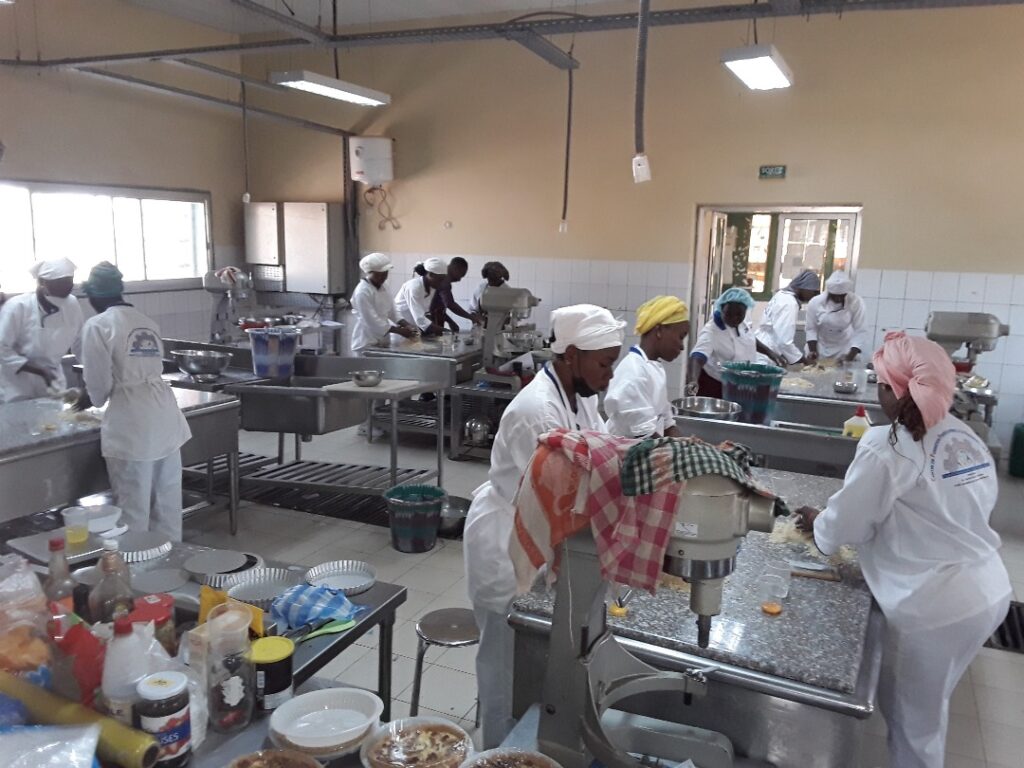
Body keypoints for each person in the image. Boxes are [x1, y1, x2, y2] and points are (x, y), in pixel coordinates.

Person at [796, 331, 1011, 768]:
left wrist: (819, 525)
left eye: (879, 382)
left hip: (936, 606)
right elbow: (948, 510)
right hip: (988, 590)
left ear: (893, 389)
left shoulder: (887, 444)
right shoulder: (964, 435)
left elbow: (848, 523)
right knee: (926, 705)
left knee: (916, 729)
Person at [464, 304, 625, 749]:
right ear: (572, 355)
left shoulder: (580, 397)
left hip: (544, 533)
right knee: (504, 666)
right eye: (604, 363)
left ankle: (531, 744)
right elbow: (571, 493)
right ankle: (497, 751)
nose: (610, 373)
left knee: (535, 663)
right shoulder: (538, 412)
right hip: (508, 543)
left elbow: (601, 453)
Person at [78, 262, 192, 542]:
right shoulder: (146, 321)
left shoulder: (98, 325)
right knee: (167, 504)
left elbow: (99, 387)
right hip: (164, 415)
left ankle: (136, 565)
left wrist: (85, 399)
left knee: (133, 508)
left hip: (132, 422)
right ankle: (170, 559)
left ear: (92, 296)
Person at [0, 257, 84, 403]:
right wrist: (40, 371)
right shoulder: (17, 307)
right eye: (58, 286)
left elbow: (81, 343)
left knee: (53, 417)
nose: (61, 300)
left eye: (69, 284)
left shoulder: (72, 304)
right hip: (17, 385)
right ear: (42, 283)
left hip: (53, 383)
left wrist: (91, 377)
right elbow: (2, 348)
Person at [605, 295, 689, 438]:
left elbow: (666, 421)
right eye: (680, 337)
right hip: (626, 450)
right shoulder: (634, 373)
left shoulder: (653, 367)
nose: (682, 346)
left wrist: (687, 443)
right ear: (659, 331)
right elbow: (645, 436)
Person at [686, 287, 782, 398]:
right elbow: (697, 357)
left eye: (739, 314)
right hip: (715, 386)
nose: (734, 318)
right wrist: (693, 380)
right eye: (728, 314)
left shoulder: (742, 324)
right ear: (721, 308)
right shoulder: (711, 331)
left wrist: (770, 353)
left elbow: (749, 339)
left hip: (739, 383)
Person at [349, 253, 416, 353]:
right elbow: (372, 321)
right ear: (369, 272)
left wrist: (406, 324)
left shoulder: (384, 286)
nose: (383, 277)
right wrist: (400, 331)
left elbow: (392, 310)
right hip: (366, 341)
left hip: (383, 340)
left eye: (385, 273)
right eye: (379, 274)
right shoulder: (362, 292)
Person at [755, 269, 820, 367]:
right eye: (813, 292)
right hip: (767, 352)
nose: (813, 296)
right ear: (804, 287)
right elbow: (784, 341)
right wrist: (804, 361)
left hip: (762, 345)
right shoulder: (789, 303)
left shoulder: (781, 295)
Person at [804, 270, 867, 363]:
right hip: (820, 346)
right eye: (834, 296)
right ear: (828, 292)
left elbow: (860, 330)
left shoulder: (856, 302)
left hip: (843, 347)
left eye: (842, 296)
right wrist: (813, 350)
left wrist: (850, 355)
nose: (838, 299)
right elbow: (811, 328)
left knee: (842, 371)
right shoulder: (816, 302)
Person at [394, 257, 449, 336]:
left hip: (412, 328)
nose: (442, 283)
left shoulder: (432, 287)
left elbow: (426, 313)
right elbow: (420, 320)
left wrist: (436, 329)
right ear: (431, 274)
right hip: (400, 329)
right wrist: (446, 331)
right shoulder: (414, 287)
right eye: (440, 279)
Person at [429, 257, 479, 332]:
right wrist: (471, 317)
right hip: (427, 323)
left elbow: (437, 307)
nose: (459, 280)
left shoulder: (440, 276)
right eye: (461, 275)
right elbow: (450, 304)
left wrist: (450, 321)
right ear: (456, 269)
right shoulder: (443, 280)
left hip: (432, 321)